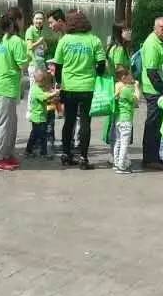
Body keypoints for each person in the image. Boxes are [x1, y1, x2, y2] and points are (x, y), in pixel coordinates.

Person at [50, 9, 106, 170]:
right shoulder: (94, 40)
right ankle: (83, 158)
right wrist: (96, 73)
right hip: (88, 87)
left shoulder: (64, 40)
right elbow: (101, 65)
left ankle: (66, 154)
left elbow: (58, 66)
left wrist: (59, 83)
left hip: (69, 87)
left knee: (69, 121)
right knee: (85, 122)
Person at [0, 12, 30, 171]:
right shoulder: (16, 41)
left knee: (11, 123)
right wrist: (29, 55)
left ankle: (7, 153)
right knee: (3, 123)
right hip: (6, 87)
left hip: (1, 85)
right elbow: (22, 65)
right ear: (15, 23)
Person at [139, 16, 163, 170]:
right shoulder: (152, 44)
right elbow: (152, 72)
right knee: (153, 124)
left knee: (159, 123)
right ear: (155, 28)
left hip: (162, 88)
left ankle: (157, 155)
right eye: (162, 28)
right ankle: (149, 158)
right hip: (154, 91)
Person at [111, 64, 139, 174]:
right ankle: (121, 166)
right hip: (126, 119)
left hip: (118, 118)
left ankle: (116, 162)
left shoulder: (117, 87)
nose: (132, 77)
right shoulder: (126, 90)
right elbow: (136, 100)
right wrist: (136, 87)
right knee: (124, 143)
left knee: (118, 141)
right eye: (130, 75)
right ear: (124, 77)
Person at [25, 67, 56, 156]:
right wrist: (53, 93)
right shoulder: (36, 89)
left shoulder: (37, 88)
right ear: (41, 81)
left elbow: (44, 95)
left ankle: (29, 150)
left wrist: (51, 93)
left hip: (40, 116)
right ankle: (43, 152)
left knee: (35, 134)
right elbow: (43, 97)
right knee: (41, 135)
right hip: (38, 117)